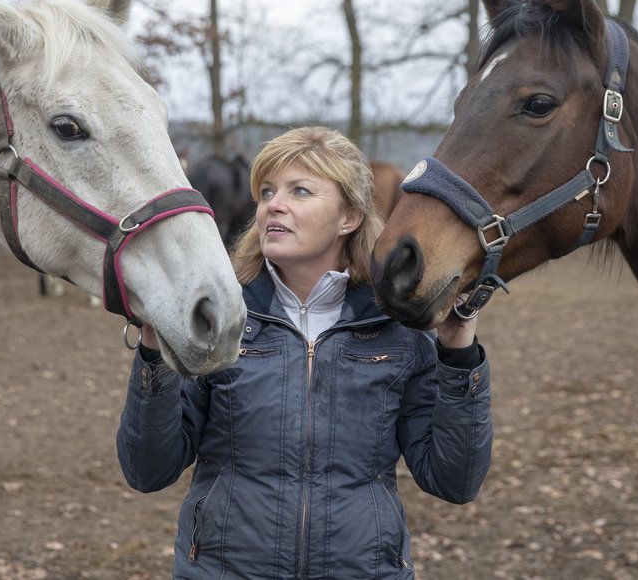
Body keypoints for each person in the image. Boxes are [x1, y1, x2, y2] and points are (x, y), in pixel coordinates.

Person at [116, 127, 493, 579]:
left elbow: (453, 480)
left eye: (300, 191)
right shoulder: (222, 320)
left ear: (348, 217)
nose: (274, 204)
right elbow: (147, 470)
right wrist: (156, 354)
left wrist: (458, 355)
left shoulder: (396, 331)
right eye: (268, 192)